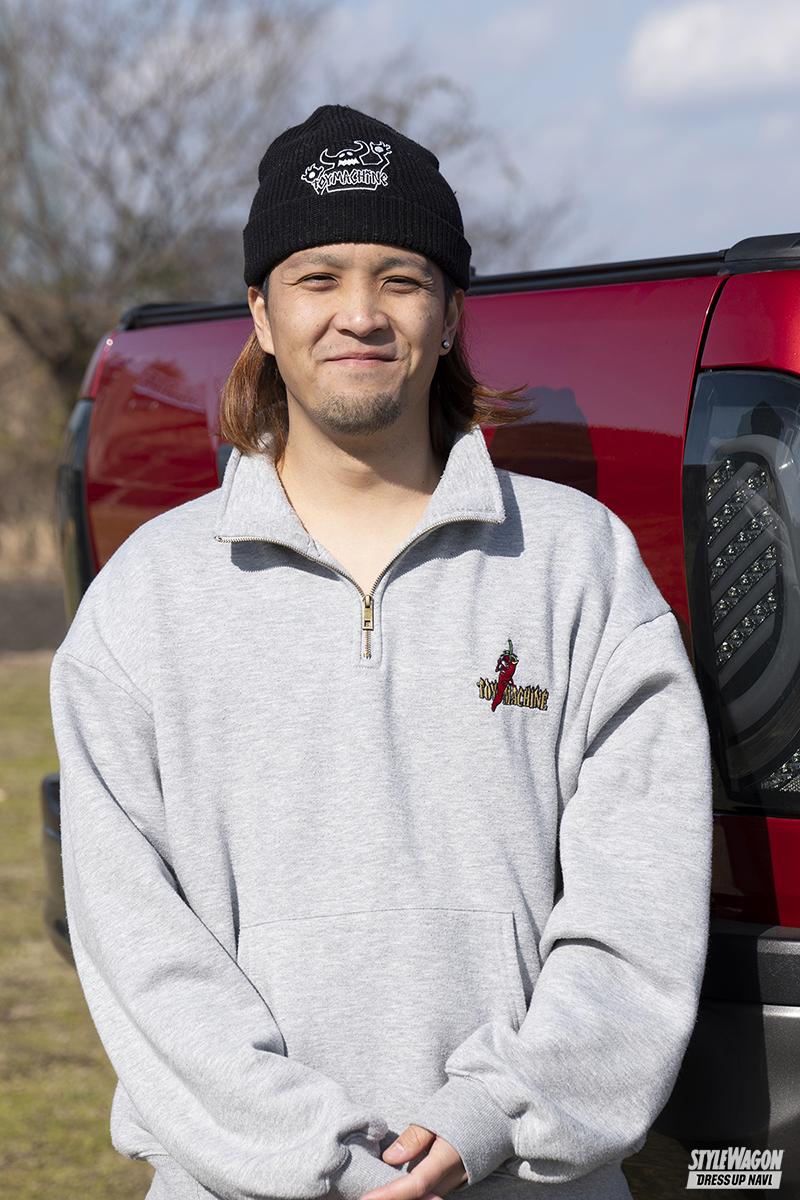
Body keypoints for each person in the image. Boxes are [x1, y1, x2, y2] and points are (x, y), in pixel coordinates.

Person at [49, 104, 713, 1200]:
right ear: (261, 314)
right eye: (317, 278)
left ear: (450, 316)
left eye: (400, 278)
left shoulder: (577, 565)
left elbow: (638, 911)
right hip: (242, 1183)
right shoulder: (144, 603)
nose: (358, 314)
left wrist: (494, 1114)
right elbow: (137, 946)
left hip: (523, 1179)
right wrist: (312, 1151)